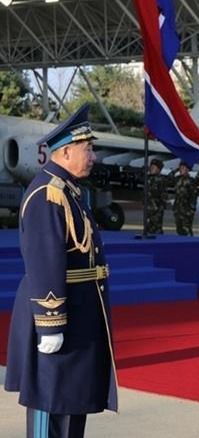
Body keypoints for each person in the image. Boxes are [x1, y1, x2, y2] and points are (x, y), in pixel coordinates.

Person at [4, 104, 118, 438]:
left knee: (72, 402)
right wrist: (50, 322)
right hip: (57, 316)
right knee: (51, 407)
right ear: (65, 152)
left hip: (79, 314)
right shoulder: (48, 194)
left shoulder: (69, 191)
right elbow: (43, 260)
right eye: (88, 149)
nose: (93, 156)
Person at [171, 162, 197, 236]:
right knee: (179, 229)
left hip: (187, 209)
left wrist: (191, 210)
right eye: (180, 168)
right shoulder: (177, 179)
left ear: (187, 170)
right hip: (177, 208)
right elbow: (168, 179)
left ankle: (190, 245)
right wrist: (174, 171)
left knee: (187, 229)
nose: (181, 169)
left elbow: (193, 196)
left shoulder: (191, 181)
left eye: (183, 168)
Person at [145, 158, 168, 234]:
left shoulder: (161, 180)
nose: (151, 168)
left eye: (154, 167)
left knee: (156, 227)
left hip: (156, 208)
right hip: (148, 207)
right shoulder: (148, 178)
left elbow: (163, 195)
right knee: (148, 227)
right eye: (151, 166)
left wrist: (160, 209)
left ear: (159, 169)